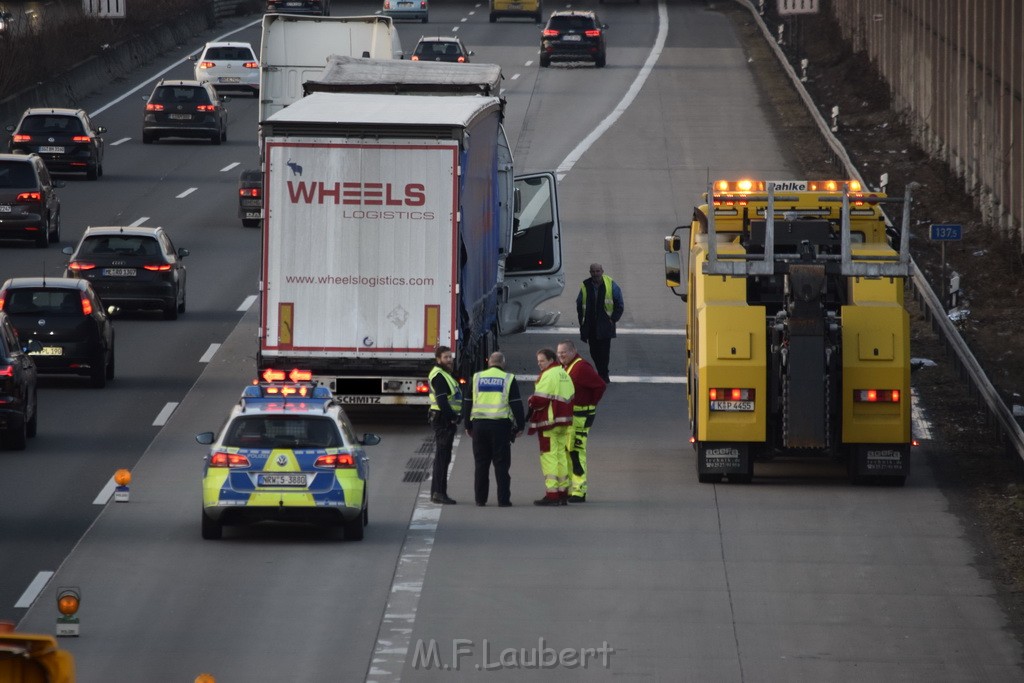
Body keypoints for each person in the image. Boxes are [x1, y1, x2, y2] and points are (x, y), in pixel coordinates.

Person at [463, 351, 525, 507]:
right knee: (501, 464)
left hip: (479, 426)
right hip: (500, 426)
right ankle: (503, 500)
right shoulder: (508, 379)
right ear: (503, 363)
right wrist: (521, 425)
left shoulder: (476, 378)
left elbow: (468, 403)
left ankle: (480, 499)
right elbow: (516, 403)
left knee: (481, 464)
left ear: (489, 362)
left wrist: (467, 425)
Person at [556, 340, 606, 503]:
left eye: (564, 352)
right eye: (559, 352)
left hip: (581, 416)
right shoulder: (567, 367)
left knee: (576, 452)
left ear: (573, 351)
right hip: (572, 416)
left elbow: (600, 386)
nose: (561, 355)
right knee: (569, 451)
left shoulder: (581, 367)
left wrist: (590, 403)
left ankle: (579, 490)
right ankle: (574, 488)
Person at [528, 348, 575, 506]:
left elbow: (539, 400)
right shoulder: (564, 374)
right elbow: (571, 395)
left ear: (550, 360)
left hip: (550, 423)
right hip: (564, 422)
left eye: (542, 361)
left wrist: (531, 401)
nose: (539, 364)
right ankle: (563, 492)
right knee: (561, 456)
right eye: (538, 361)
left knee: (549, 457)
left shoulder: (549, 375)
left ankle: (552, 494)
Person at [576, 263, 624, 383]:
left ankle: (603, 374)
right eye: (593, 271)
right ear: (590, 272)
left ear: (602, 271)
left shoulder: (610, 284)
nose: (595, 274)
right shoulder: (585, 285)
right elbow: (579, 304)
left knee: (604, 351)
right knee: (594, 351)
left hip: (605, 324)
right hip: (591, 325)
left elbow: (619, 303)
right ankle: (601, 372)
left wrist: (613, 319)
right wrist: (582, 323)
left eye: (598, 271)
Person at [428, 346, 461, 505]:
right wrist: (453, 417)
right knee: (442, 458)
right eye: (446, 357)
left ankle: (438, 492)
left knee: (443, 457)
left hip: (443, 419)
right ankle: (439, 493)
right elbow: (442, 400)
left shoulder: (444, 374)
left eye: (450, 357)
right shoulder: (440, 376)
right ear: (438, 359)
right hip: (443, 420)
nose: (449, 360)